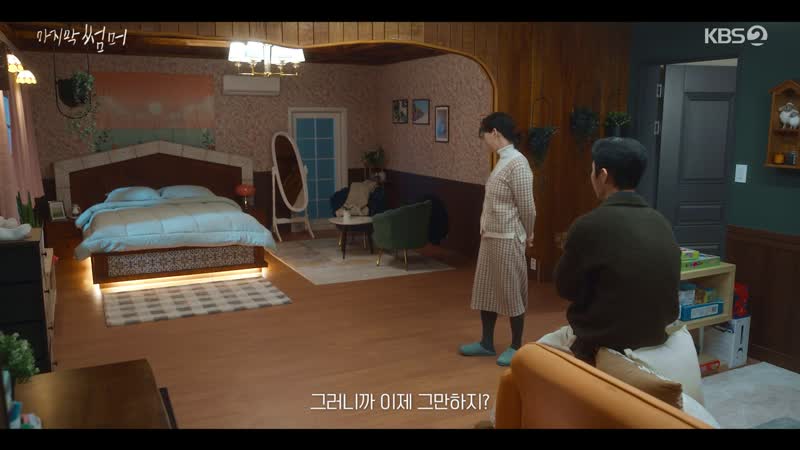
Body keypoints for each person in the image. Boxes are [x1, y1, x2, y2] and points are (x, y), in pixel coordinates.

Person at [539, 137, 680, 365]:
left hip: (605, 341)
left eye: (592, 170)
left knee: (531, 358)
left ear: (603, 175)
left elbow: (565, 288)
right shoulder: (660, 221)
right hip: (656, 335)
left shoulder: (589, 225)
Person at [459, 112, 536, 367]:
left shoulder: (518, 163)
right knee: (486, 291)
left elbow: (528, 207)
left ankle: (516, 345)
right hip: (491, 237)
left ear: (494, 133)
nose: (485, 142)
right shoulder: (503, 161)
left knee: (511, 292)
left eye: (484, 137)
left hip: (507, 237)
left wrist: (529, 233)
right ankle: (486, 343)